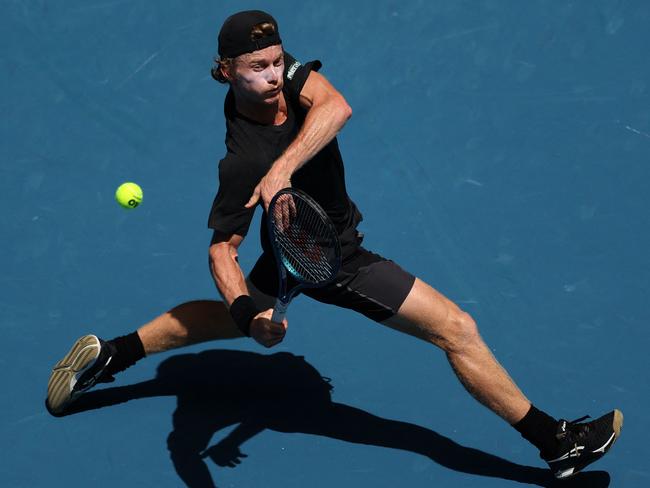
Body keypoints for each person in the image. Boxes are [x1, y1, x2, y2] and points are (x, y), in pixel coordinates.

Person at [46, 10, 622, 480]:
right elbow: (222, 250)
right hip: (336, 258)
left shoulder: (282, 78)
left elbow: (336, 106)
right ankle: (555, 441)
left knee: (225, 318)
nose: (274, 76)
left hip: (297, 236)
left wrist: (285, 174)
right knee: (457, 328)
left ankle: (113, 353)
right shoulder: (243, 164)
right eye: (257, 68)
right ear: (225, 72)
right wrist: (250, 318)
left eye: (276, 62)